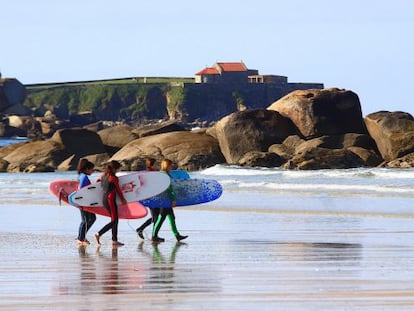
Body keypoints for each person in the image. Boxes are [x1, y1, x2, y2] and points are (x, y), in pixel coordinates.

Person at [152, 159, 188, 243]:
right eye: (170, 166)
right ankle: (154, 236)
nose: (171, 167)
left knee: (171, 217)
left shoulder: (161, 174)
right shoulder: (165, 175)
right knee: (161, 218)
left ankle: (177, 235)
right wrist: (173, 199)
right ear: (166, 166)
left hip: (163, 199)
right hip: (166, 199)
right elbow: (169, 188)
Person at [94, 160, 127, 247]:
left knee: (114, 219)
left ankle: (114, 240)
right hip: (110, 200)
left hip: (104, 199)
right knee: (114, 220)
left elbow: (96, 183)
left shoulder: (104, 176)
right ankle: (99, 234)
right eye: (118, 169)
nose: (118, 170)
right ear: (114, 169)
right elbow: (118, 190)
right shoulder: (114, 178)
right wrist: (123, 199)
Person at [136, 158, 160, 239]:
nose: (158, 165)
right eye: (156, 164)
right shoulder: (149, 174)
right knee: (155, 217)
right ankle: (152, 235)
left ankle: (142, 229)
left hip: (155, 197)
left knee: (155, 217)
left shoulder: (154, 173)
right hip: (151, 198)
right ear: (152, 165)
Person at [76, 159, 96, 246]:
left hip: (86, 201)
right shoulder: (84, 177)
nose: (93, 171)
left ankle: (82, 236)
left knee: (91, 219)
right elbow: (81, 190)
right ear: (87, 169)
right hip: (83, 201)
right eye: (92, 169)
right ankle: (80, 239)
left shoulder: (82, 176)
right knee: (86, 220)